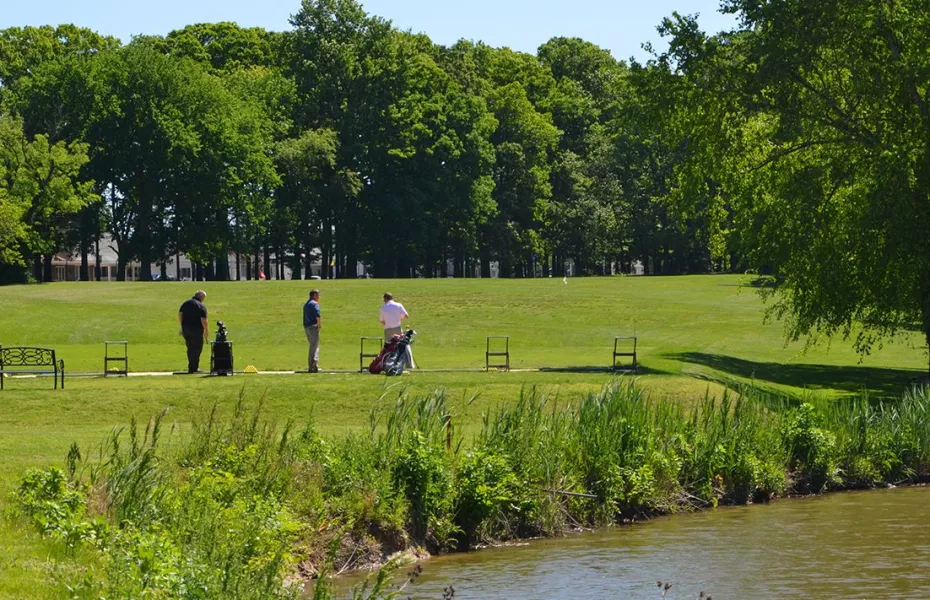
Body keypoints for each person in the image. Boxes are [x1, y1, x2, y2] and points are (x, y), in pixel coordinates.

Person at [380, 292, 415, 368]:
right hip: (397, 328)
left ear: (386, 299)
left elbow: (382, 321)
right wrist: (399, 318)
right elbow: (406, 316)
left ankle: (387, 365)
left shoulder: (383, 307)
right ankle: (408, 364)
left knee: (388, 348)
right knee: (402, 346)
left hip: (388, 329)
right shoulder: (398, 305)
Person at [178, 290, 208, 373]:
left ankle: (192, 367)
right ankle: (193, 368)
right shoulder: (200, 306)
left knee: (190, 347)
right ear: (201, 297)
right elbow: (204, 320)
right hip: (196, 330)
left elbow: (180, 314)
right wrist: (206, 331)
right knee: (197, 348)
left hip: (186, 329)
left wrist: (181, 326)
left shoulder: (186, 304)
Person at [303, 289, 322, 373]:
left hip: (307, 327)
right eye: (318, 295)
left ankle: (311, 365)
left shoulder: (306, 304)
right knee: (315, 346)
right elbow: (317, 315)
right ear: (314, 295)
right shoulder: (315, 304)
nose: (319, 297)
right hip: (313, 327)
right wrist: (319, 324)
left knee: (312, 345)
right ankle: (314, 364)